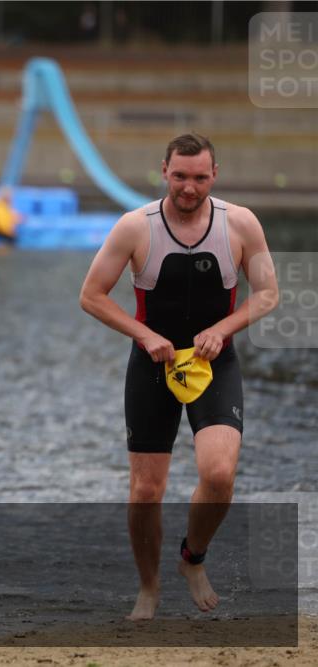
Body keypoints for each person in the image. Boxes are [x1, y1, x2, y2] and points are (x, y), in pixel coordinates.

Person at [79, 133, 279, 620]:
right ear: (164, 171)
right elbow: (91, 295)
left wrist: (222, 329)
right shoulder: (135, 226)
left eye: (200, 177)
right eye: (180, 176)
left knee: (219, 475)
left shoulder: (240, 223)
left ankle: (193, 558)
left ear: (215, 175)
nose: (189, 187)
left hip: (214, 363)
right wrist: (145, 335)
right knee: (146, 491)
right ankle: (149, 589)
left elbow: (267, 293)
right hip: (153, 364)